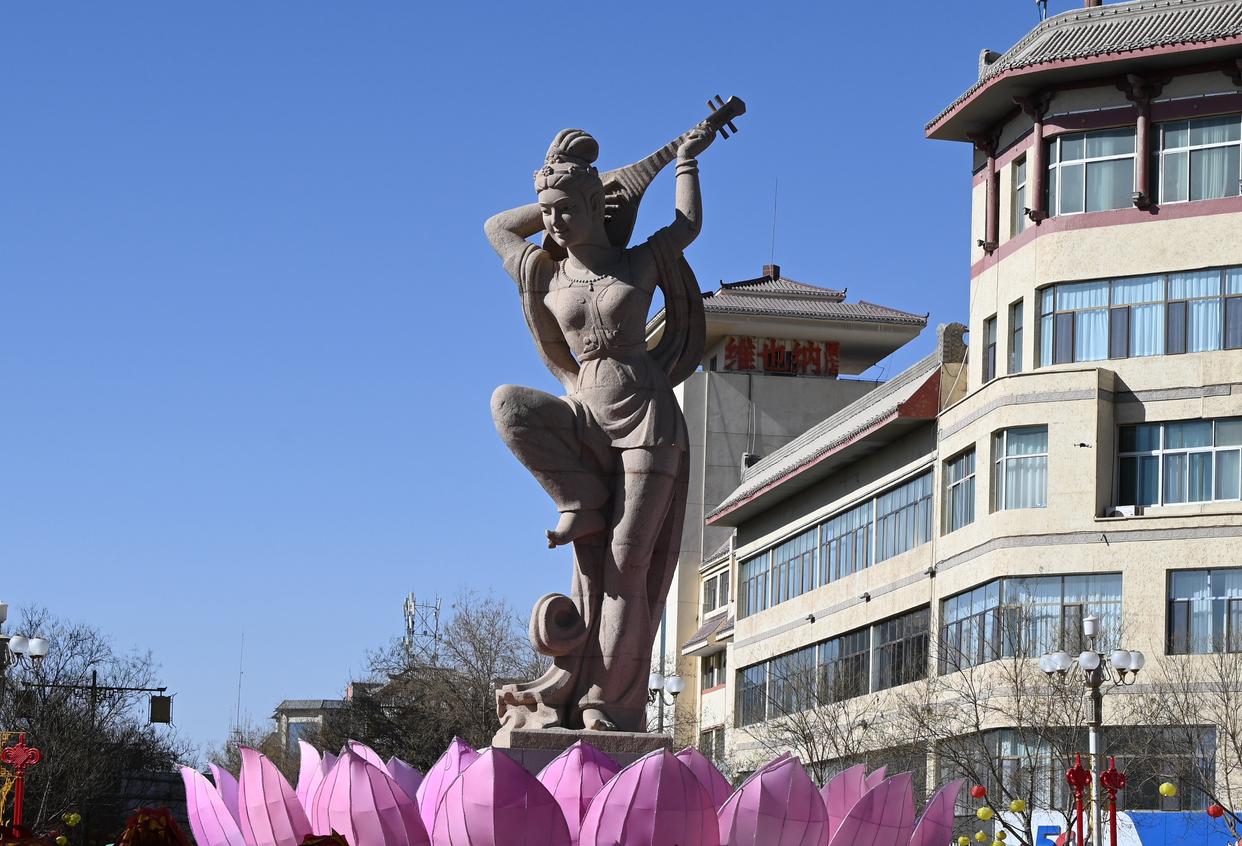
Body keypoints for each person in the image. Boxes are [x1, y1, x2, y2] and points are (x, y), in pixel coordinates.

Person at [485, 123, 713, 732]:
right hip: (585, 411)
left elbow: (687, 227)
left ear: (595, 206)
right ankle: (578, 499)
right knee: (509, 405)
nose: (554, 222)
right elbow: (496, 228)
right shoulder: (544, 270)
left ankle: (604, 702)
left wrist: (685, 162)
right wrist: (568, 189)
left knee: (624, 568)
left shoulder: (639, 262)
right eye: (547, 212)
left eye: (567, 209)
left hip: (648, 420)